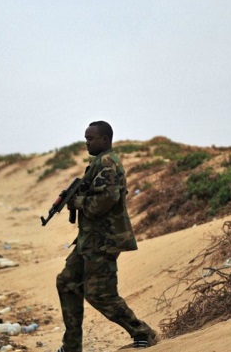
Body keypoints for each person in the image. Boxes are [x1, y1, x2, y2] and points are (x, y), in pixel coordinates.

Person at [55, 121, 158, 352]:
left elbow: (104, 201)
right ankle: (71, 346)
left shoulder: (108, 163)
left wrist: (77, 202)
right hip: (89, 240)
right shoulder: (98, 163)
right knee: (67, 282)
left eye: (90, 139)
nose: (86, 143)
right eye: (85, 138)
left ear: (105, 140)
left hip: (104, 240)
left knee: (100, 294)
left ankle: (143, 333)